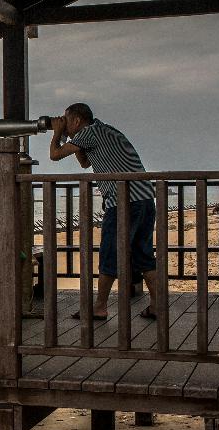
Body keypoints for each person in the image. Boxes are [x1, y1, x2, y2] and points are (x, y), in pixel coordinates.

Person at [47, 103, 159, 319]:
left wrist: (57, 133)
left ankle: (99, 306)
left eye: (66, 119)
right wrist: (66, 135)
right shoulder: (102, 130)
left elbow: (54, 155)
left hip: (124, 200)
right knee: (143, 254)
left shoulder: (89, 132)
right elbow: (84, 162)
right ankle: (157, 305)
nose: (63, 121)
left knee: (109, 252)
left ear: (77, 120)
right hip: (144, 198)